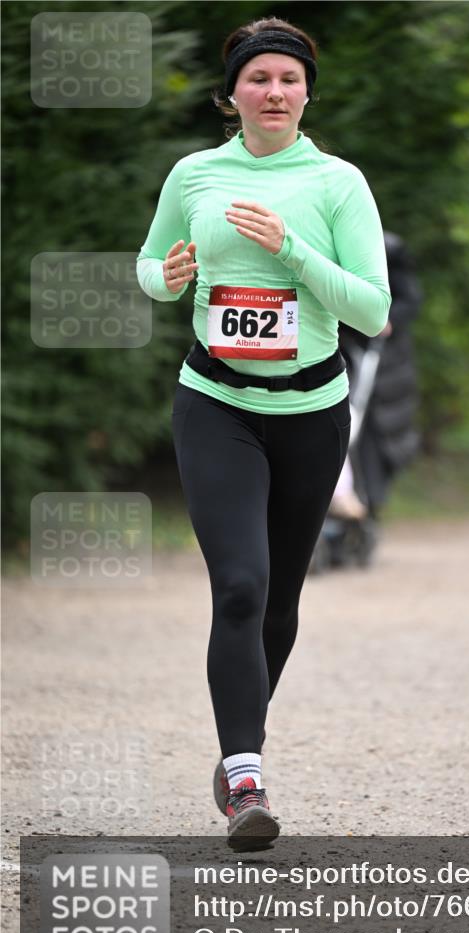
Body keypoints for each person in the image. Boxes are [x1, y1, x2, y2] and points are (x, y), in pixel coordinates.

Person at [135, 16, 390, 848]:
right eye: (258, 78)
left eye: (288, 79)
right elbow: (149, 262)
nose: (274, 91)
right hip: (216, 404)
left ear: (307, 93)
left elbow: (372, 311)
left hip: (311, 413)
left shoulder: (336, 183)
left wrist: (291, 252)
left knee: (279, 599)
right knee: (240, 587)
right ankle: (245, 778)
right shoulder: (195, 174)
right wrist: (165, 277)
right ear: (233, 93)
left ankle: (238, 742)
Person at [329, 231, 422, 521]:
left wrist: (388, 320)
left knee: (374, 434)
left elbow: (410, 299)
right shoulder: (332, 245)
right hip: (345, 349)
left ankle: (369, 504)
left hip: (383, 360)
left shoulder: (390, 250)